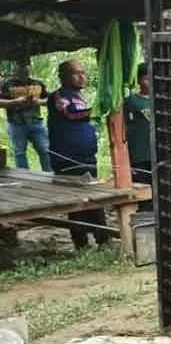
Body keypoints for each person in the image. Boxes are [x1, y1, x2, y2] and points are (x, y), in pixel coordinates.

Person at [47, 59, 110, 249]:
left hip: (86, 157)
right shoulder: (58, 96)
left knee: (93, 198)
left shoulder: (79, 96)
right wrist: (102, 108)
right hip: (67, 157)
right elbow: (71, 114)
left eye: (83, 72)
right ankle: (81, 243)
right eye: (76, 73)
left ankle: (102, 239)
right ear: (63, 76)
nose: (82, 76)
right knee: (75, 202)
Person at [0, 60, 52, 172]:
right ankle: (24, 178)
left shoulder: (38, 83)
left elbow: (51, 100)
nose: (23, 72)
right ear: (14, 71)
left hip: (36, 123)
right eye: (20, 70)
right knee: (19, 153)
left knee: (45, 150)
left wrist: (39, 101)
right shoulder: (7, 84)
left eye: (25, 70)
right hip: (16, 124)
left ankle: (49, 175)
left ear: (29, 70)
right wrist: (15, 102)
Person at [123, 63, 153, 212]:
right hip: (139, 153)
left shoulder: (160, 99)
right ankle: (144, 216)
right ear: (140, 80)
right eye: (147, 79)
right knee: (142, 187)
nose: (150, 82)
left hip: (157, 152)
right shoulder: (131, 101)